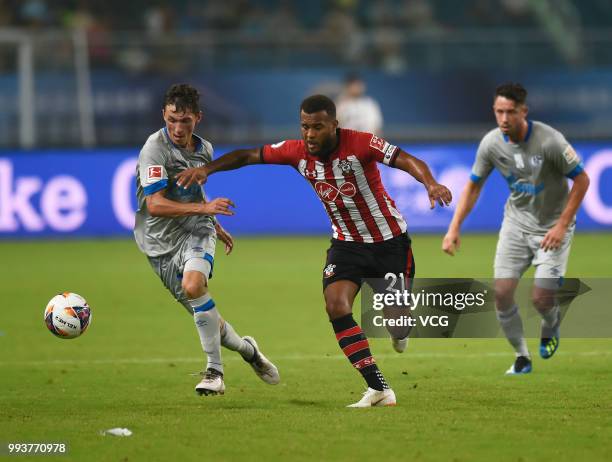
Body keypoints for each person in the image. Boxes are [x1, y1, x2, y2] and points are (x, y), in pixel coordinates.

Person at [176, 94, 452, 407]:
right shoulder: (296, 152)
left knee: (398, 324)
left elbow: (405, 159)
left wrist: (430, 183)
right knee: (336, 305)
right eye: (305, 126)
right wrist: (208, 170)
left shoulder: (361, 143)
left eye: (317, 127)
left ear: (334, 125)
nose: (309, 134)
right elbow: (249, 155)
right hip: (346, 244)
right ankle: (379, 389)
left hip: (389, 243)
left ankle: (399, 328)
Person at [134, 83, 280, 396]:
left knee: (193, 285)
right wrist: (206, 208)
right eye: (171, 119)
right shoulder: (154, 149)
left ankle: (214, 372)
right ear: (163, 114)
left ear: (197, 118)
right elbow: (156, 205)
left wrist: (211, 221)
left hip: (196, 229)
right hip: (159, 246)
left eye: (184, 120)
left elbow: (195, 192)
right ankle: (249, 351)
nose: (177, 127)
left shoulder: (204, 150)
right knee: (209, 316)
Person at [442, 82, 590, 375]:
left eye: (510, 112)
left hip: (552, 229)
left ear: (524, 111)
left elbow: (582, 180)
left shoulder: (550, 141)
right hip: (516, 225)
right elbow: (473, 186)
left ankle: (550, 326)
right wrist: (454, 227)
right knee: (502, 292)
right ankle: (522, 357)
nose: (504, 119)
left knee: (540, 299)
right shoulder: (491, 144)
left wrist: (562, 225)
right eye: (499, 112)